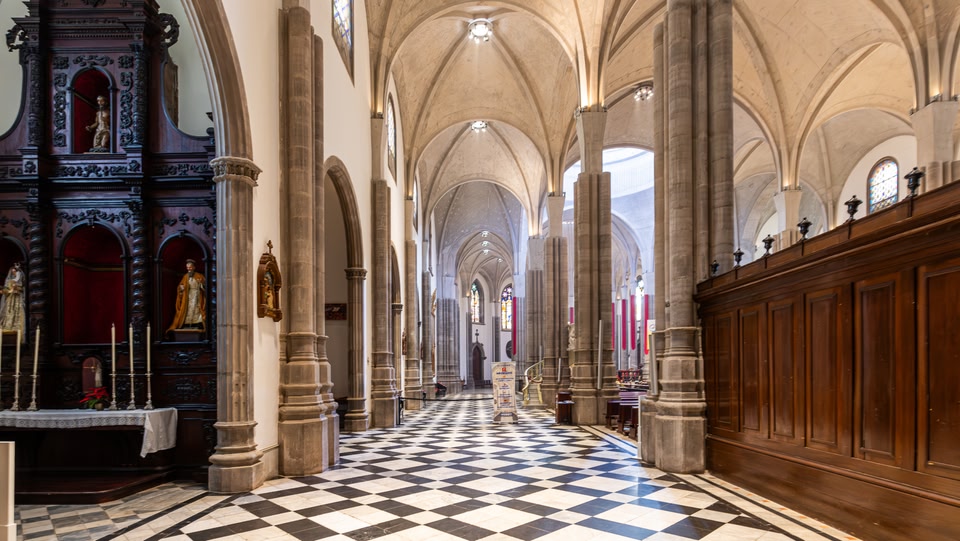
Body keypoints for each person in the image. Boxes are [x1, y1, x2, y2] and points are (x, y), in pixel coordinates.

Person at [167, 259, 205, 333]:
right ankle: (187, 324)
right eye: (187, 268)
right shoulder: (185, 277)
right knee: (188, 310)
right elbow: (180, 287)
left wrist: (201, 284)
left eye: (190, 267)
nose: (189, 269)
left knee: (196, 310)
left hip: (197, 296)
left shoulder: (199, 276)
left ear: (194, 267)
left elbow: (204, 286)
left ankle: (197, 323)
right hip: (188, 297)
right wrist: (181, 289)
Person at [0, 262, 25, 335]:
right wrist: (4, 291)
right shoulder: (8, 281)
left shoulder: (20, 281)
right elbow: (6, 290)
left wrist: (17, 288)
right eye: (12, 271)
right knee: (8, 312)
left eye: (15, 271)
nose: (13, 273)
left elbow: (23, 289)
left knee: (18, 312)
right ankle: (8, 328)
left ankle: (18, 330)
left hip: (18, 299)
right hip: (10, 299)